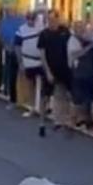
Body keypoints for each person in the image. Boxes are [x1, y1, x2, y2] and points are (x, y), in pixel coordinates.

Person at [37, 9, 71, 137]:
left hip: (63, 68)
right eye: (49, 19)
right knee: (45, 96)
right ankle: (42, 123)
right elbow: (42, 54)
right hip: (50, 69)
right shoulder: (44, 35)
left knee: (62, 94)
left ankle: (60, 120)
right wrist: (48, 71)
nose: (51, 22)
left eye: (53, 19)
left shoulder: (64, 32)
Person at [14, 8, 45, 119]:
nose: (31, 21)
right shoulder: (21, 30)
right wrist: (20, 62)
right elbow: (17, 46)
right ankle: (32, 107)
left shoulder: (41, 28)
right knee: (30, 85)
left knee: (42, 86)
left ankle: (41, 108)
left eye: (33, 18)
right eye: (29, 19)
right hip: (28, 60)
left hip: (40, 61)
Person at [0, 4, 24, 108]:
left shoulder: (21, 20)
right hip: (11, 51)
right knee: (12, 74)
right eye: (7, 10)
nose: (9, 12)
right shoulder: (4, 22)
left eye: (10, 10)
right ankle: (13, 98)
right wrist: (6, 46)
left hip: (20, 51)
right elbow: (1, 36)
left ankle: (21, 98)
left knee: (20, 75)